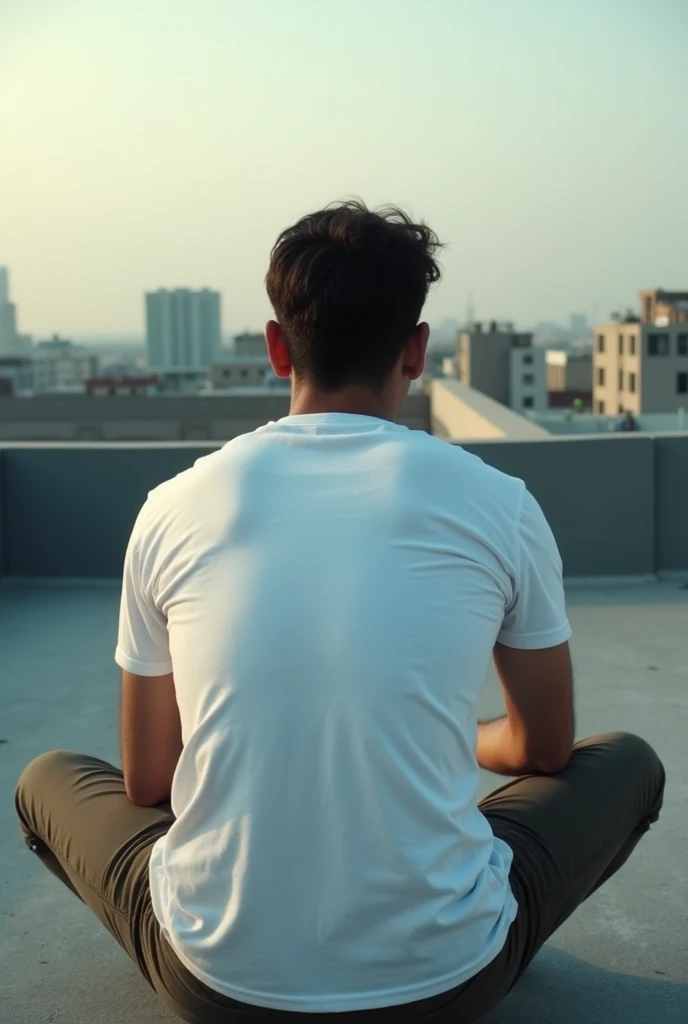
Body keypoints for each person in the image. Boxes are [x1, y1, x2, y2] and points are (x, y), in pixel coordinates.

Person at [16, 200, 664, 1024]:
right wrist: (447, 737)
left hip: (215, 987)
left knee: (47, 781)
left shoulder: (171, 508)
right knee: (625, 762)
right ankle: (448, 910)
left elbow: (149, 779)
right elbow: (543, 746)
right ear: (418, 350)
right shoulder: (500, 504)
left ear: (277, 345)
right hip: (449, 984)